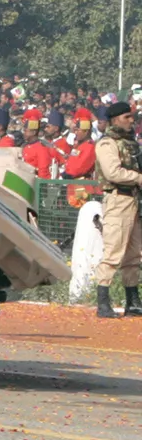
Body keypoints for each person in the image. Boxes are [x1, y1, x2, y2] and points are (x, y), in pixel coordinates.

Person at [93, 99, 142, 318]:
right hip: (118, 199)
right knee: (113, 253)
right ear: (115, 120)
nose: (131, 120)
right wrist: (139, 178)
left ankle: (133, 301)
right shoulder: (107, 143)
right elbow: (113, 173)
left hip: (134, 200)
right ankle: (103, 302)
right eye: (127, 117)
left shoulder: (130, 143)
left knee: (133, 255)